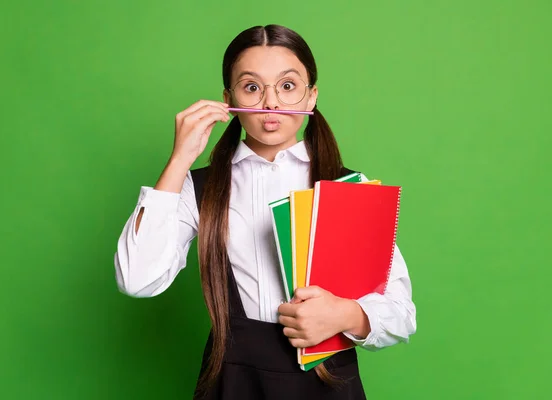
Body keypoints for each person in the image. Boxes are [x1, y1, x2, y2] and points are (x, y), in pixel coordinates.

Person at [114, 24, 417, 400]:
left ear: (311, 97)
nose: (270, 103)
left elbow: (401, 313)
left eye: (287, 86)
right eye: (252, 87)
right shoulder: (200, 188)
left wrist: (347, 316)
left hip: (328, 384)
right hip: (233, 382)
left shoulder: (348, 188)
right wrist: (179, 161)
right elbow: (137, 279)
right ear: (229, 98)